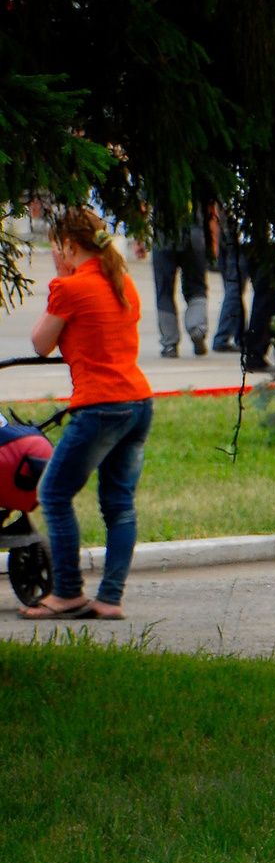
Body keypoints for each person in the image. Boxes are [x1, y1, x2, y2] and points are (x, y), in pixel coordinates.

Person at [21, 208, 153, 621]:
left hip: (100, 406)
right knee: (119, 505)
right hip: (139, 403)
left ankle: (68, 592)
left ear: (69, 247)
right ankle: (110, 598)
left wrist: (61, 279)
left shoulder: (71, 287)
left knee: (54, 494)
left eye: (59, 246)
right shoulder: (123, 282)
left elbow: (41, 343)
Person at [210, 205, 275, 373]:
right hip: (268, 237)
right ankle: (255, 353)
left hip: (247, 236)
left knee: (272, 298)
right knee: (266, 296)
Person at [150, 190, 211, 358]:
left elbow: (142, 206)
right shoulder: (198, 171)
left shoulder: (155, 173)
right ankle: (197, 327)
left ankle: (170, 343)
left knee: (164, 290)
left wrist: (141, 238)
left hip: (162, 235)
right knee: (197, 286)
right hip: (194, 234)